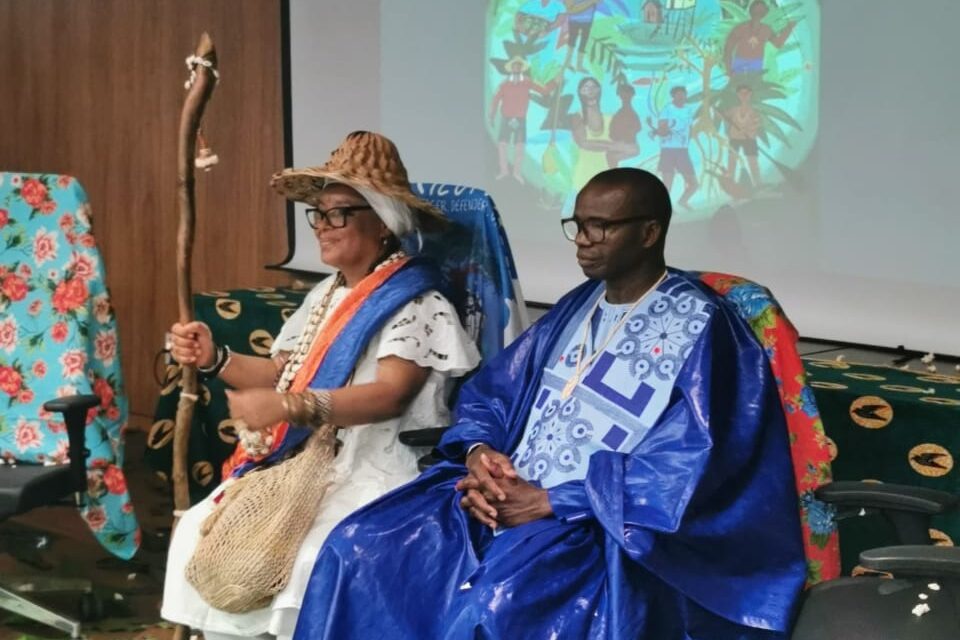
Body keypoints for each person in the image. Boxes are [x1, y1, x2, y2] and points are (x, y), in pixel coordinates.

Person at [292, 167, 807, 639]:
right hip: (503, 494)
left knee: (491, 607)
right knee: (355, 547)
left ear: (649, 233)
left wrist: (553, 501)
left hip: (600, 524)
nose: (583, 241)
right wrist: (480, 454)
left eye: (601, 227)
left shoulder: (704, 329)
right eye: (577, 225)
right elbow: (492, 395)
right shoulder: (577, 306)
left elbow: (691, 468)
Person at [161, 131, 480, 639]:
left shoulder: (417, 301)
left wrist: (291, 406)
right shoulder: (327, 295)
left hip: (383, 465)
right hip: (308, 461)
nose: (322, 227)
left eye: (339, 214)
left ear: (383, 222)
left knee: (311, 559)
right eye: (319, 214)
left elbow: (389, 395)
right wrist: (214, 358)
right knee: (200, 529)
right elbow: (283, 372)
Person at [488, 57, 558, 184]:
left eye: (519, 66)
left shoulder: (527, 82)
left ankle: (517, 172)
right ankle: (504, 170)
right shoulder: (504, 84)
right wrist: (492, 115)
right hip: (506, 118)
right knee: (502, 145)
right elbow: (495, 100)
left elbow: (544, 90)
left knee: (520, 146)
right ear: (511, 68)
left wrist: (555, 82)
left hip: (520, 119)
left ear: (521, 68)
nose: (516, 68)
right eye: (514, 66)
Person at [571, 77, 637, 195]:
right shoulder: (577, 117)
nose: (590, 90)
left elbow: (633, 149)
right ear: (580, 92)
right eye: (586, 87)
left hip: (607, 182)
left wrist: (621, 152)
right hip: (584, 180)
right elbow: (583, 143)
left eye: (593, 87)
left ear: (599, 90)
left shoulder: (610, 118)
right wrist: (614, 146)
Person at [650, 85, 699, 209]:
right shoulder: (667, 109)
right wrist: (661, 131)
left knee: (694, 184)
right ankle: (663, 207)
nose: (681, 96)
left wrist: (687, 141)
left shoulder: (688, 110)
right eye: (678, 94)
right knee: (667, 183)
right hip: (669, 150)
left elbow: (689, 127)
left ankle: (682, 202)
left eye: (683, 94)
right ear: (673, 96)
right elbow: (662, 129)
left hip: (683, 150)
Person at [724, 0, 797, 77]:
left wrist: (788, 29)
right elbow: (728, 49)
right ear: (751, 12)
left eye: (760, 11)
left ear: (764, 13)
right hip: (740, 66)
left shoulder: (766, 30)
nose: (758, 14)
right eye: (756, 11)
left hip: (755, 67)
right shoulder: (741, 28)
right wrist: (729, 69)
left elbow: (777, 43)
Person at [725, 84, 763, 187]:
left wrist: (746, 130)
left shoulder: (754, 111)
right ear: (738, 95)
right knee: (732, 163)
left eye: (746, 93)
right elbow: (723, 115)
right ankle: (731, 187)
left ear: (750, 94)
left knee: (753, 163)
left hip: (749, 139)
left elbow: (756, 125)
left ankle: (759, 185)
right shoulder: (733, 109)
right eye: (741, 93)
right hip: (734, 139)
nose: (744, 96)